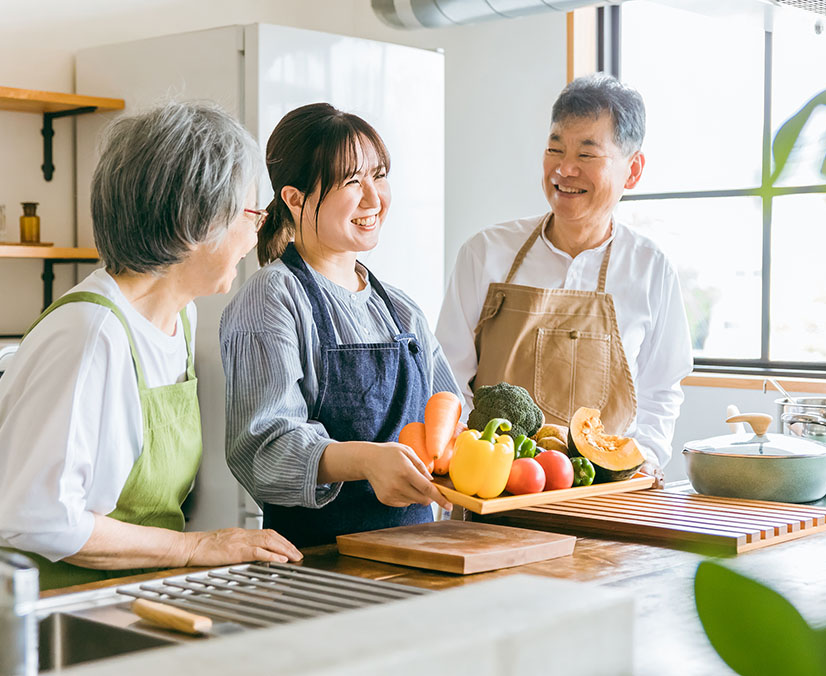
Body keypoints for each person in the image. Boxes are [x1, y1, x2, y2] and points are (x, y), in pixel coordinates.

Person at [0, 102, 302, 591]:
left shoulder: (180, 315)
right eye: (251, 213)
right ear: (194, 221)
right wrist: (194, 548)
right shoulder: (91, 334)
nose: (257, 231)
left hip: (135, 593)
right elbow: (38, 517)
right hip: (55, 606)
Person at [220, 103, 456, 548]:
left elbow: (448, 417)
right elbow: (262, 451)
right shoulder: (273, 297)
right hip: (319, 566)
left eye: (379, 175)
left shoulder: (401, 310)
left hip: (423, 556)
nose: (373, 198)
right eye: (352, 182)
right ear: (293, 198)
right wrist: (366, 461)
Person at [436, 74, 693, 482]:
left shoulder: (651, 267)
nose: (564, 168)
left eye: (587, 155)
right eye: (555, 149)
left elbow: (661, 389)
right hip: (494, 490)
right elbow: (447, 377)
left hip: (605, 495)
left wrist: (645, 456)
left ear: (633, 170)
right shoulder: (485, 253)